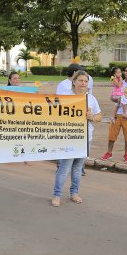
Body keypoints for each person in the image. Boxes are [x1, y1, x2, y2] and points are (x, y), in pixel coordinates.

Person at [52, 70, 102, 206]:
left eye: (86, 81)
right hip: (69, 137)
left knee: (78, 167)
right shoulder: (65, 97)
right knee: (65, 167)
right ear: (74, 82)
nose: (83, 83)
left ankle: (74, 192)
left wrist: (91, 116)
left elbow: (99, 116)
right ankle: (57, 195)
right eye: (80, 80)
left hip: (86, 137)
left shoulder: (91, 98)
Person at [101, 64, 127, 163]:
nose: (126, 73)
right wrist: (117, 99)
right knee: (112, 135)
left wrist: (126, 101)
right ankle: (109, 152)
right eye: (126, 71)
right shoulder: (120, 82)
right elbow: (112, 97)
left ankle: (126, 154)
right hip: (117, 113)